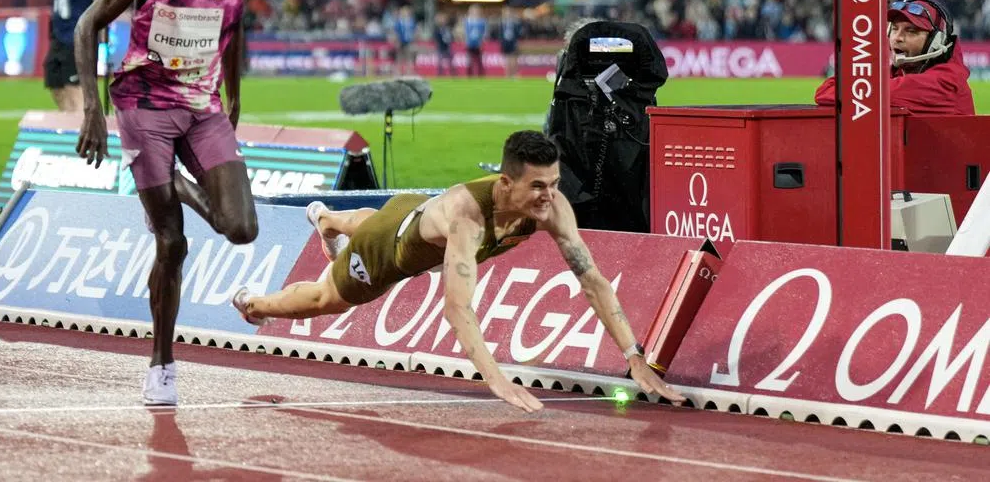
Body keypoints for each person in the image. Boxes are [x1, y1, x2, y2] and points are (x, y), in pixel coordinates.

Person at [233, 130, 685, 413]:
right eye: (537, 187)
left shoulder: (550, 207)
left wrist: (634, 358)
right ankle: (252, 302)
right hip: (385, 254)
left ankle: (328, 218)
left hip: (409, 213)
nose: (549, 197)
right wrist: (495, 376)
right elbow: (457, 308)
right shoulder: (468, 218)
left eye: (554, 184)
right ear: (505, 184)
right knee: (322, 299)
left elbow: (592, 280)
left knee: (378, 217)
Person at [74, 0, 260, 406]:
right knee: (172, 243)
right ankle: (161, 364)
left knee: (241, 228)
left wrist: (235, 93)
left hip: (202, 106)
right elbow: (88, 24)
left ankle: (168, 180)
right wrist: (93, 107)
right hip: (142, 103)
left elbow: (236, 24)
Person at [814, 0, 975, 115]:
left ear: (936, 41)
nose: (897, 37)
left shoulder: (944, 84)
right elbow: (826, 90)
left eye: (911, 31)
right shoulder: (897, 74)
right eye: (895, 29)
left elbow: (832, 92)